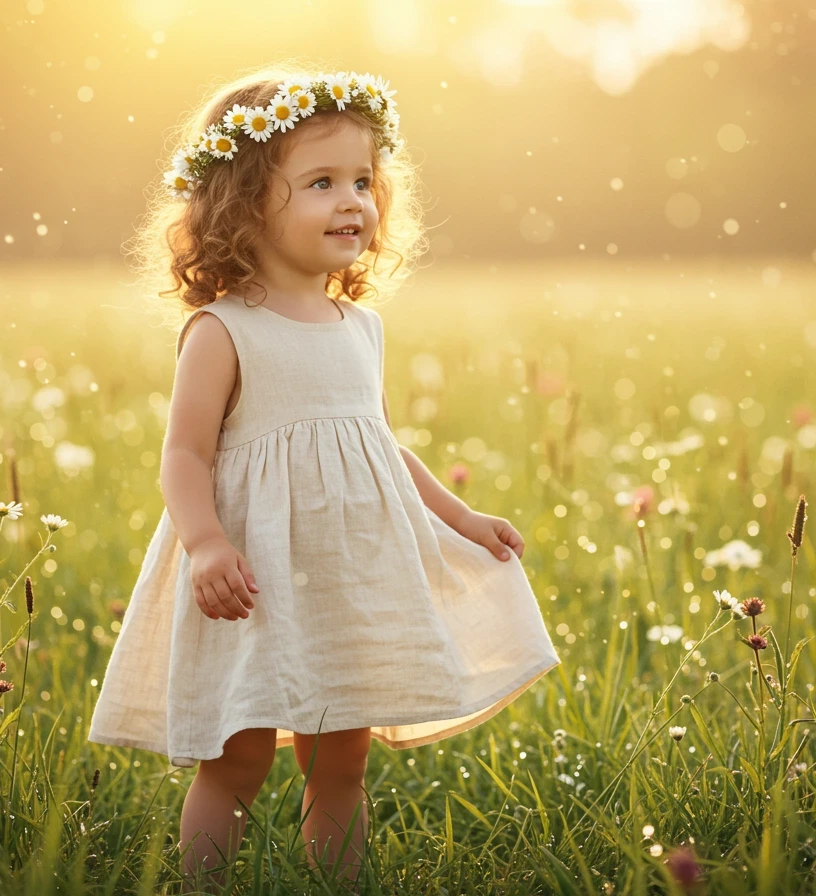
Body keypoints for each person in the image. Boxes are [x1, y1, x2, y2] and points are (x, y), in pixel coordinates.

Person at [86, 66, 561, 892]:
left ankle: (335, 882)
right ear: (241, 203)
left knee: (340, 756)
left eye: (364, 181)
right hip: (254, 574)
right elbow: (185, 456)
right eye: (320, 183)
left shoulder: (362, 328)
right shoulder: (223, 331)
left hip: (344, 575)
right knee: (236, 761)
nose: (353, 202)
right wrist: (204, 546)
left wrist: (462, 518)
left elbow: (380, 448)